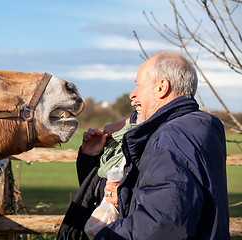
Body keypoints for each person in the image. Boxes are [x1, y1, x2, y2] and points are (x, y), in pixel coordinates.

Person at [57, 51, 230, 239]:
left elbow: (162, 225)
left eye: (138, 85)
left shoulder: (168, 139)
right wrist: (91, 158)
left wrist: (106, 236)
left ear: (161, 87)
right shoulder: (202, 127)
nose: (132, 95)